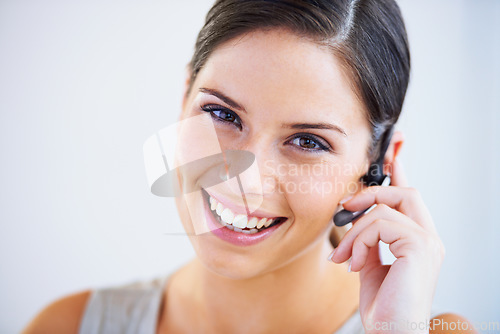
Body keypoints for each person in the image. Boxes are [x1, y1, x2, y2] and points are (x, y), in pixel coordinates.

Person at [23, 0, 477, 333]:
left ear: (379, 166)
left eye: (307, 141)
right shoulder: (67, 325)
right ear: (184, 99)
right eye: (222, 114)